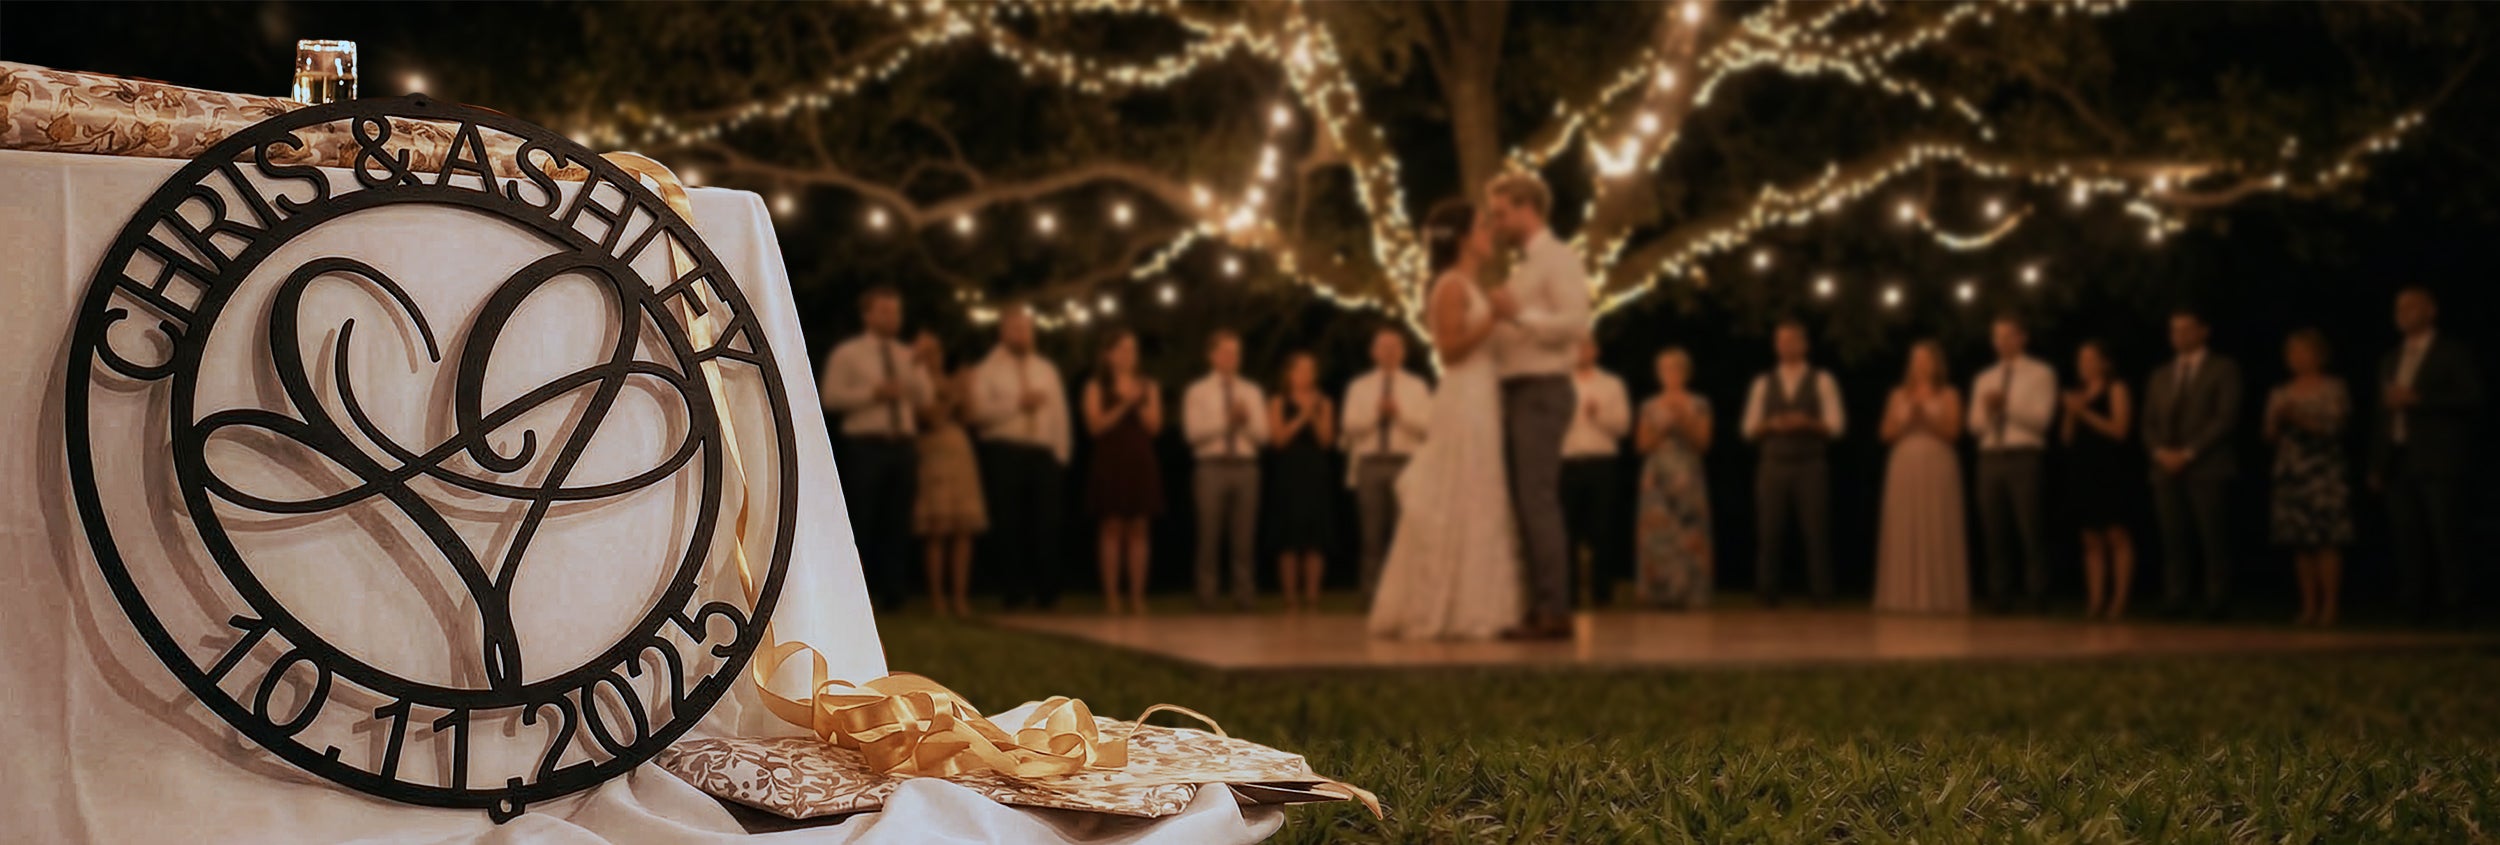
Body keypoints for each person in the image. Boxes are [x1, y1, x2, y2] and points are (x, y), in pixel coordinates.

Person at [1368, 199, 1524, 640]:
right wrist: (1493, 319)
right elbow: (1449, 351)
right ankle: (1447, 605)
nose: (1488, 234)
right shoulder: (1449, 287)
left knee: (1482, 491)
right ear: (1462, 240)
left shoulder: (1472, 285)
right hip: (1463, 398)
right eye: (1480, 227)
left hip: (1484, 397)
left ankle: (1479, 603)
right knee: (1461, 488)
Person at [1482, 172, 1594, 640]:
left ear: (1528, 207)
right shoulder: (1525, 265)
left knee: (1538, 499)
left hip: (1542, 389)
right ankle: (1537, 604)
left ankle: (1555, 609)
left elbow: (1575, 322)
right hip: (1516, 389)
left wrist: (1517, 316)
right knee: (1525, 503)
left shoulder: (1558, 258)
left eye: (1501, 212)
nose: (1496, 222)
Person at [2371, 286, 2484, 619]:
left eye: (2411, 306)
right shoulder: (2390, 359)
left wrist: (2419, 400)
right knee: (2407, 536)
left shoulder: (2451, 353)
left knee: (2445, 534)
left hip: (2438, 458)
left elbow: (2472, 397)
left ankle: (2455, 604)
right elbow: (2382, 415)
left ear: (2431, 310)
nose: (2402, 312)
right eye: (2398, 307)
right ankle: (2412, 605)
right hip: (2399, 456)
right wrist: (2377, 463)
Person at [818, 287, 931, 611]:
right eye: (884, 311)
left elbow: (923, 398)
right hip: (866, 445)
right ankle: (855, 596)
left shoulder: (907, 355)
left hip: (903, 445)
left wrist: (918, 368)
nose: (892, 318)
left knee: (898, 521)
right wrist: (874, 393)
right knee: (862, 520)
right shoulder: (848, 354)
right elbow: (831, 398)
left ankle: (894, 592)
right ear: (867, 315)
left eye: (895, 311)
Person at [966, 305, 1073, 611]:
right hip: (1006, 450)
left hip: (1043, 453)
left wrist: (1060, 454)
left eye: (1027, 328)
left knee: (1047, 523)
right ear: (1003, 331)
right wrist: (1018, 404)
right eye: (1016, 328)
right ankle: (1014, 590)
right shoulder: (987, 370)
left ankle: (1047, 591)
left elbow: (1060, 413)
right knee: (1009, 523)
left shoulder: (1045, 369)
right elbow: (980, 415)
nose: (1023, 334)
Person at [2142, 309, 2241, 619]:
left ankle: (2217, 599)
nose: (2179, 336)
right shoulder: (2160, 375)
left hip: (2207, 465)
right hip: (2165, 468)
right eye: (2174, 330)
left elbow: (2225, 417)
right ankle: (2176, 597)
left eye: (2186, 329)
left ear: (2203, 331)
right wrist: (2160, 452)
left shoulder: (2223, 368)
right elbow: (2148, 422)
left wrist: (2188, 453)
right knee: (2173, 536)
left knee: (2212, 535)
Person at [1741, 320, 1845, 607]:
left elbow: (1836, 426)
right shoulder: (1763, 382)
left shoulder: (1822, 380)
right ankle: (1767, 595)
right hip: (1773, 464)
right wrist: (1772, 424)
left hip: (1810, 464)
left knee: (1815, 531)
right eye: (1780, 341)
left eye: (1791, 340)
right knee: (1769, 531)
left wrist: (1808, 423)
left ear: (1804, 344)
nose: (1785, 346)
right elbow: (1749, 429)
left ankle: (1821, 595)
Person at [1967, 315, 2058, 612]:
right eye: (1997, 337)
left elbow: (2041, 422)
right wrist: (1989, 411)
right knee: (1994, 531)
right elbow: (1975, 426)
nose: (2002, 342)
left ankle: (2037, 595)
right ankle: (1999, 596)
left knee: (2030, 528)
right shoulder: (1985, 378)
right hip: (1990, 457)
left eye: (2008, 336)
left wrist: (2008, 406)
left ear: (2022, 338)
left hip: (2024, 456)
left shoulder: (2040, 373)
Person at [2266, 329, 2354, 626]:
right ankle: (2308, 606)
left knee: (2327, 540)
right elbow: (2269, 436)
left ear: (2319, 355)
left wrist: (2299, 419)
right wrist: (2276, 422)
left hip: (2323, 473)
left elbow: (2336, 427)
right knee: (2300, 542)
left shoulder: (2334, 388)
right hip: (2291, 473)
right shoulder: (2281, 392)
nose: (2297, 358)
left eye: (2303, 352)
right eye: (2292, 353)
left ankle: (2331, 607)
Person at [1875, 340, 1969, 614]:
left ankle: (1939, 595)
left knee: (1935, 520)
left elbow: (1953, 432)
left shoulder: (1949, 394)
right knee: (1906, 523)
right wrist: (1906, 420)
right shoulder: (1897, 395)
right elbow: (1886, 433)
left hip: (1937, 462)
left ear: (1936, 363)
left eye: (1925, 359)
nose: (1920, 364)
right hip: (1904, 464)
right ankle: (1902, 595)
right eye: (1915, 359)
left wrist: (1927, 418)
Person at [1341, 327, 1433, 598]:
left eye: (1395, 347)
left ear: (1403, 352)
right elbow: (1349, 426)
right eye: (1384, 347)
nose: (1390, 352)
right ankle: (1371, 594)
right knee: (1371, 534)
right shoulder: (1359, 386)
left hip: (1406, 462)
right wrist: (1376, 416)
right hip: (1371, 462)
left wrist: (1398, 415)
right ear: (1373, 352)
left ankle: (1406, 595)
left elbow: (1427, 427)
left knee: (1404, 533)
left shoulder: (1416, 386)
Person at [1183, 330, 1268, 610]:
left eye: (1236, 352)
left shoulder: (1252, 391)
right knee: (1209, 534)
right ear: (1212, 356)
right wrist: (1226, 422)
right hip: (1211, 467)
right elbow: (1193, 434)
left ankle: (1244, 596)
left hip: (1245, 466)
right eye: (1226, 352)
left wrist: (1244, 423)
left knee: (1244, 537)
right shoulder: (1198, 391)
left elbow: (1263, 436)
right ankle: (1207, 596)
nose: (1232, 358)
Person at [1082, 330, 1163, 616]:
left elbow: (1154, 427)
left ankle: (1137, 596)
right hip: (1110, 458)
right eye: (1123, 349)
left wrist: (1138, 402)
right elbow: (1095, 426)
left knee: (1140, 527)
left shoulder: (1148, 385)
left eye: (1133, 349)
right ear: (1108, 354)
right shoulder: (1095, 385)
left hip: (1140, 458)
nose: (1129, 355)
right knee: (1112, 526)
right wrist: (1124, 403)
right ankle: (1112, 596)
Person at [909, 331, 986, 618]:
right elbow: (930, 418)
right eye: (926, 353)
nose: (933, 358)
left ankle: (960, 597)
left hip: (960, 454)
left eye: (936, 351)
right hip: (933, 454)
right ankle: (938, 597)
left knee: (963, 529)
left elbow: (971, 417)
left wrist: (965, 393)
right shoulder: (917, 383)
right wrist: (953, 395)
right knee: (937, 530)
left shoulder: (952, 382)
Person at [2062, 340, 2137, 620]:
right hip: (2083, 470)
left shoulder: (2116, 388)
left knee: (2116, 534)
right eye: (2081, 358)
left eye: (2091, 358)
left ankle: (2119, 601)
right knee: (2090, 538)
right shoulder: (2078, 392)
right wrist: (2071, 413)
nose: (2084, 364)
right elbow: (2066, 439)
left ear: (2105, 363)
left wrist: (2084, 413)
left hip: (2110, 468)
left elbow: (2119, 429)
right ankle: (2095, 601)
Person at [1634, 347, 1714, 609]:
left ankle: (1691, 594)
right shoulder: (1649, 405)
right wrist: (1664, 426)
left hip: (1687, 474)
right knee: (1658, 535)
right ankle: (1658, 594)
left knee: (1689, 533)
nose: (1670, 374)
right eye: (1665, 369)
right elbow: (1643, 444)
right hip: (1657, 477)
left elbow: (1702, 442)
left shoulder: (1699, 404)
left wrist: (1683, 421)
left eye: (1676, 369)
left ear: (1685, 373)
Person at [1561, 338, 1632, 606]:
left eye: (1587, 346)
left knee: (1602, 530)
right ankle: (1569, 595)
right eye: (1577, 346)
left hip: (1601, 463)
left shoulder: (1612, 384)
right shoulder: (1561, 383)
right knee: (1566, 532)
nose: (1582, 351)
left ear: (1596, 350)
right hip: (1567, 462)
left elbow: (1623, 427)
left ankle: (1603, 594)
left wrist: (1598, 415)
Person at [1267, 352, 1338, 614]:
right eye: (1301, 369)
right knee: (1289, 537)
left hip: (1316, 472)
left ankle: (1312, 597)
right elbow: (1278, 440)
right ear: (1290, 374)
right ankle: (1290, 599)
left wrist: (1315, 415)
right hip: (1288, 472)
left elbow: (1327, 441)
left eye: (1311, 370)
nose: (1307, 375)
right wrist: (1301, 417)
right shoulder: (1278, 401)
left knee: (1315, 538)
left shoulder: (1325, 402)